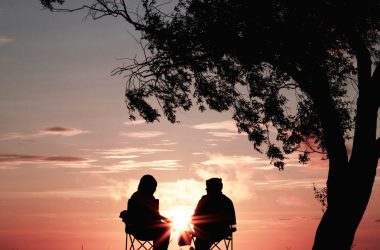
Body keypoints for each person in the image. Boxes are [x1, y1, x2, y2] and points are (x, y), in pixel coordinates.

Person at [123, 174, 171, 250]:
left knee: (164, 228)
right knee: (165, 228)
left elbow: (155, 216)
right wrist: (166, 220)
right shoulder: (139, 197)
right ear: (147, 186)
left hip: (143, 229)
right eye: (154, 187)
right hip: (141, 230)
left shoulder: (145, 197)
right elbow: (153, 215)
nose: (155, 189)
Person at [191, 178, 236, 250]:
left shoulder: (204, 200)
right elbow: (232, 221)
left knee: (201, 243)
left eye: (208, 190)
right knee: (202, 242)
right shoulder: (227, 201)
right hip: (222, 232)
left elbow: (195, 217)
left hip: (205, 232)